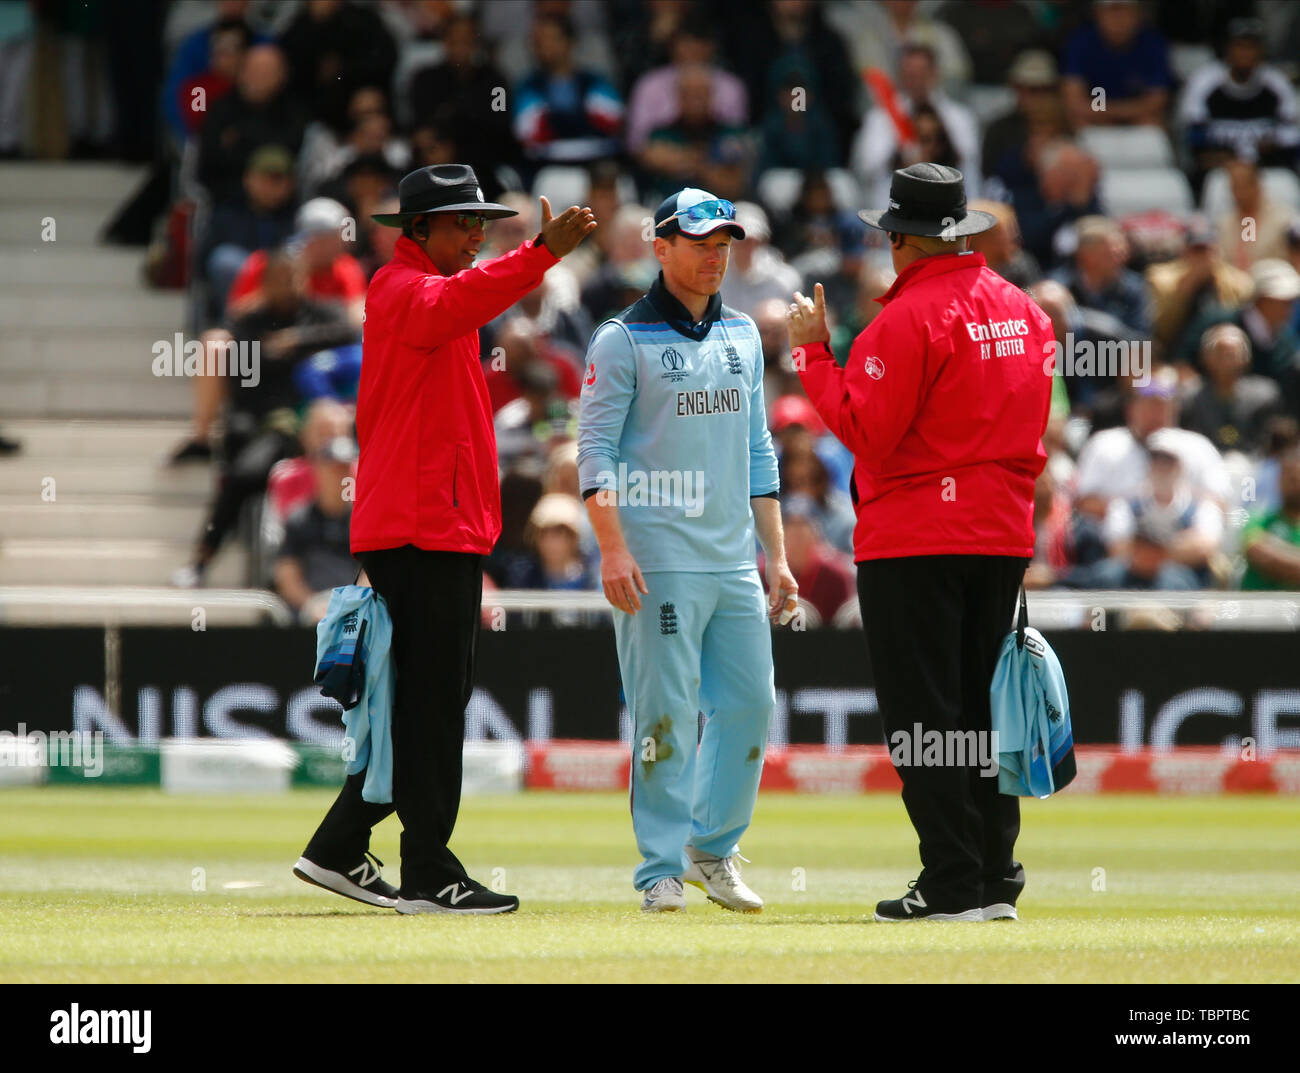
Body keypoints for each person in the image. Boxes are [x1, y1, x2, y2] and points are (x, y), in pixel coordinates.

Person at [296, 164, 595, 915]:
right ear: (420, 228)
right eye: (464, 222)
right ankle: (428, 870)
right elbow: (463, 297)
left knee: (419, 702)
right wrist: (540, 254)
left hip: (429, 524)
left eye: (481, 222)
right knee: (432, 705)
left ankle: (341, 845)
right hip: (422, 527)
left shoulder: (423, 295)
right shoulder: (406, 290)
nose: (476, 234)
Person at [790, 163, 1054, 922]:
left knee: (925, 715)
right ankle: (994, 877)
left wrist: (814, 355)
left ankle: (948, 882)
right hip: (1000, 533)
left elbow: (867, 433)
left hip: (914, 539)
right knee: (984, 707)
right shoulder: (1024, 311)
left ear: (901, 240)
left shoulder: (905, 320)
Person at [577, 187, 797, 913]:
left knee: (749, 705)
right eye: (699, 242)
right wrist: (611, 549)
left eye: (723, 243)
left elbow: (759, 452)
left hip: (734, 558)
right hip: (656, 555)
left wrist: (779, 557)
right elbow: (595, 453)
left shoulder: (741, 335)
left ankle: (713, 848)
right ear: (659, 246)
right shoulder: (621, 338)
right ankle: (659, 869)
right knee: (665, 714)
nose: (715, 255)